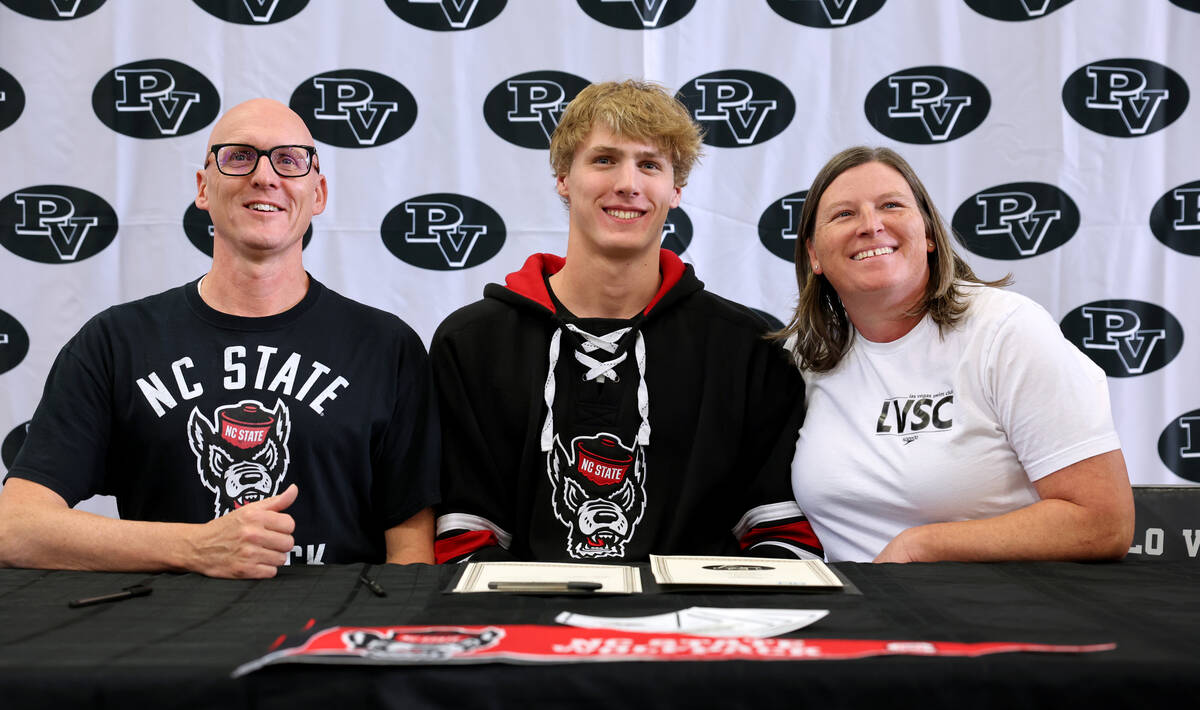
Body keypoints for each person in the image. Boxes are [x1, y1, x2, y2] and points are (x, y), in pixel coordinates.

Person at [0, 98, 439, 578]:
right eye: (238, 157)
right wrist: (198, 546)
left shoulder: (385, 347)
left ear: (318, 193)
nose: (265, 177)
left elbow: (412, 558)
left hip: (330, 641)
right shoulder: (115, 343)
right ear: (203, 187)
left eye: (290, 160)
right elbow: (16, 527)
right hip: (164, 640)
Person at [431, 79, 822, 563]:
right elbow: (465, 540)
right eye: (604, 159)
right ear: (562, 178)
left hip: (696, 631)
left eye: (650, 165)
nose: (628, 184)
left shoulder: (747, 350)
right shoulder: (473, 344)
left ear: (675, 190)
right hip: (529, 630)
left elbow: (780, 537)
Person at [778, 145, 1134, 563]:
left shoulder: (1007, 330)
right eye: (844, 214)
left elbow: (1103, 522)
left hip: (996, 611)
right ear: (814, 256)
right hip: (857, 618)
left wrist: (921, 546)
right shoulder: (805, 356)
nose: (871, 226)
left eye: (891, 205)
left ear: (928, 234)